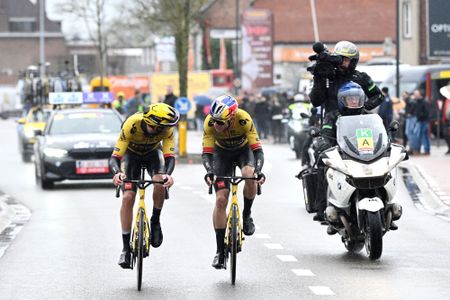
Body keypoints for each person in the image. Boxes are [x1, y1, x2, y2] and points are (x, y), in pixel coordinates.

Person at [308, 41, 384, 221]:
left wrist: (363, 108)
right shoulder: (328, 77)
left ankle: (382, 200)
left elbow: (379, 96)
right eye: (340, 59)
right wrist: (318, 77)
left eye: (347, 60)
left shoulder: (361, 77)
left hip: (359, 125)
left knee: (375, 156)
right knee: (323, 157)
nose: (343, 63)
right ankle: (322, 208)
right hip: (332, 124)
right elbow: (316, 101)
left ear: (354, 61)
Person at [109, 103, 180, 269]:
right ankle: (126, 248)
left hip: (153, 154)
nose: (163, 131)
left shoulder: (166, 130)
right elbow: (115, 156)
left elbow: (169, 156)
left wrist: (168, 175)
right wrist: (117, 173)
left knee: (160, 182)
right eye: (160, 127)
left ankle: (155, 220)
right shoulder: (131, 124)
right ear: (150, 123)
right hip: (131, 155)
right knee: (128, 197)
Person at [202, 95, 266, 269]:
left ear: (231, 118)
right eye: (214, 121)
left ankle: (246, 215)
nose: (216, 125)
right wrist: (209, 171)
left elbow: (257, 150)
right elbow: (207, 152)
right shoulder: (210, 122)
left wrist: (258, 171)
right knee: (221, 199)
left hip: (243, 151)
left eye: (220, 123)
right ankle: (220, 251)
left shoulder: (243, 119)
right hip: (221, 154)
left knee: (249, 174)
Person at [411, 89, 430, 155]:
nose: (414, 95)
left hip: (423, 121)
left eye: (416, 94)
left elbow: (426, 112)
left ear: (419, 94)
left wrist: (420, 116)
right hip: (420, 120)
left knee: (423, 135)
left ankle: (426, 149)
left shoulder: (423, 102)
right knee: (423, 135)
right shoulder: (417, 102)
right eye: (414, 94)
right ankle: (426, 149)